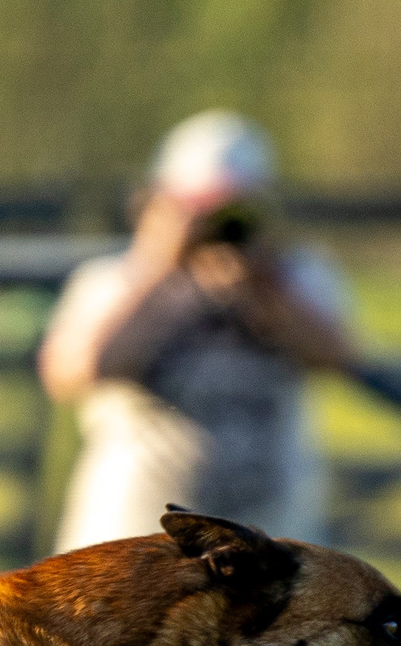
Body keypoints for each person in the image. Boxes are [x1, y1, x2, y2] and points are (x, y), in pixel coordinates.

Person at [39, 110, 354, 553]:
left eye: (234, 208)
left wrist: (266, 284)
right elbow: (79, 370)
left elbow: (338, 357)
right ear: (155, 203)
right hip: (129, 547)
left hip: (267, 546)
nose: (214, 225)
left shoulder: (294, 279)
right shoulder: (112, 281)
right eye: (196, 208)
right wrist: (160, 267)